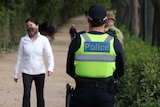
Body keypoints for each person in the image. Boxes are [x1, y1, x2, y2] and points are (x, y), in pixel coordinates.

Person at [66, 4, 125, 107]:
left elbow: (70, 69)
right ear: (106, 21)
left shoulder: (78, 40)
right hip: (105, 94)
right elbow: (121, 70)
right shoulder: (113, 42)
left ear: (88, 20)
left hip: (82, 93)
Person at [14, 17, 54, 107]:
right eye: (28, 26)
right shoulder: (23, 40)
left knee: (40, 95)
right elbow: (19, 57)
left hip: (40, 71)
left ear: (37, 26)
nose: (30, 28)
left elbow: (49, 54)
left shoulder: (43, 40)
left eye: (31, 26)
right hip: (27, 71)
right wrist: (16, 73)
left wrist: (50, 67)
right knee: (26, 95)